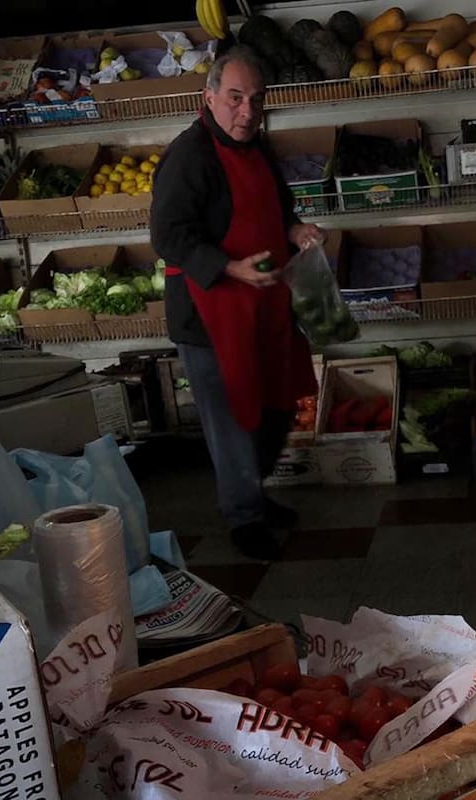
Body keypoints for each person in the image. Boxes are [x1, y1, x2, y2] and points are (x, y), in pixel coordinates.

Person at [151, 46, 324, 561]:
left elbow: (280, 209)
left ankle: (254, 494)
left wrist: (298, 231)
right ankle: (244, 518)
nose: (247, 111)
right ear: (209, 97)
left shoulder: (259, 148)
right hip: (211, 313)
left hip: (266, 305)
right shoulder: (189, 156)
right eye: (234, 98)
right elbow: (168, 236)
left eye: (256, 99)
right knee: (231, 421)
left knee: (274, 407)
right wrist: (230, 268)